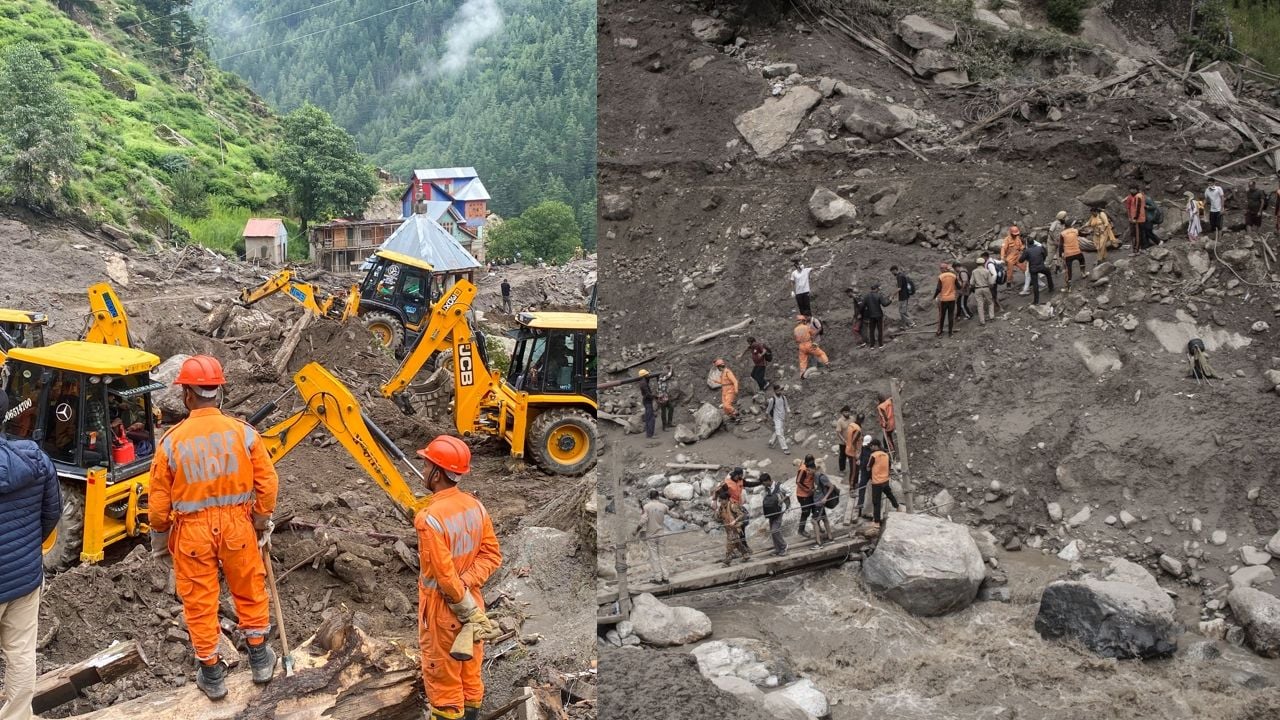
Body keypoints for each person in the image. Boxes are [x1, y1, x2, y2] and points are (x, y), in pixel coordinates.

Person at [148, 355, 279, 699]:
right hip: (238, 526)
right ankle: (261, 660)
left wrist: (160, 540)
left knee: (200, 603)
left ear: (187, 395)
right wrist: (261, 520)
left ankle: (212, 674)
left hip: (192, 532)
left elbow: (159, 506)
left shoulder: (171, 442)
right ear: (218, 393)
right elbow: (268, 483)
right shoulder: (244, 433)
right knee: (250, 589)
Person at [413, 435, 503, 720]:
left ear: (438, 473)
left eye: (426, 466)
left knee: (444, 681)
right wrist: (468, 592)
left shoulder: (429, 519)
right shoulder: (476, 506)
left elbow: (444, 576)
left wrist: (459, 594)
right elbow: (491, 555)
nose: (423, 471)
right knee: (470, 674)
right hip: (473, 603)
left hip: (443, 609)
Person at [0, 390, 60, 720]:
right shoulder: (35, 459)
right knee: (21, 655)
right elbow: (51, 514)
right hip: (24, 578)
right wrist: (26, 547)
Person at [637, 490, 669, 583]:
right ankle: (666, 577)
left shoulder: (647, 507)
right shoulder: (664, 506)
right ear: (658, 497)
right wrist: (682, 517)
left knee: (654, 557)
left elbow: (642, 522)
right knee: (662, 556)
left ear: (649, 497)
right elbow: (672, 514)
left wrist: (636, 531)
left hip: (651, 535)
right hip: (661, 534)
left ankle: (658, 579)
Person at [867, 439, 901, 525]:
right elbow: (889, 466)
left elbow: (868, 467)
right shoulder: (886, 455)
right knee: (889, 495)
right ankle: (897, 507)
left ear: (875, 446)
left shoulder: (873, 455)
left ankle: (877, 522)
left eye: (871, 446)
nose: (870, 448)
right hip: (885, 480)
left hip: (877, 482)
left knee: (876, 502)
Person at [761, 474, 790, 557]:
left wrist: (782, 500)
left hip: (780, 510)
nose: (763, 485)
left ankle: (784, 546)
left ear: (768, 480)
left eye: (764, 483)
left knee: (775, 530)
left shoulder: (779, 486)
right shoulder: (766, 489)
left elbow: (789, 491)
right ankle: (777, 549)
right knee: (772, 531)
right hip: (771, 511)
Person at [1021, 238, 1053, 305]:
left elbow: (1020, 260)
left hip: (1033, 269)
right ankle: (1051, 288)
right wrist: (1041, 260)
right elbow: (1045, 254)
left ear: (1028, 244)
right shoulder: (1039, 248)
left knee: (1035, 285)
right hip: (1041, 266)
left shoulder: (1027, 251)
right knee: (1048, 273)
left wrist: (1028, 258)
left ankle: (1036, 301)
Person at [861, 283, 890, 349]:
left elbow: (862, 306)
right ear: (876, 289)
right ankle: (880, 345)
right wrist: (890, 300)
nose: (878, 290)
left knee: (871, 330)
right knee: (880, 330)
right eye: (878, 289)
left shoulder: (866, 296)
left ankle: (872, 345)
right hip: (879, 315)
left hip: (871, 316)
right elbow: (884, 304)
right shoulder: (879, 295)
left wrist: (862, 313)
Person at [933, 263, 959, 337]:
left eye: (941, 268)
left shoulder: (941, 276)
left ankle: (940, 331)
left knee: (942, 316)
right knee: (950, 315)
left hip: (943, 299)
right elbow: (959, 286)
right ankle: (950, 333)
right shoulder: (953, 276)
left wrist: (934, 296)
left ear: (944, 268)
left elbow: (938, 289)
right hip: (952, 299)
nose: (940, 270)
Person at [810, 471, 835, 547]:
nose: (807, 472)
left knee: (814, 521)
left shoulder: (821, 477)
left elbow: (831, 486)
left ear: (812, 468)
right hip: (817, 502)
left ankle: (818, 543)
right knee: (824, 519)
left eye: (808, 470)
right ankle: (830, 538)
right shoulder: (814, 476)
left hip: (820, 502)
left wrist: (825, 498)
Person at [1059, 223, 1086, 293]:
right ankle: (1083, 273)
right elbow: (1083, 234)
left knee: (1068, 270)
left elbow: (1061, 245)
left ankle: (1069, 288)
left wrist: (1060, 254)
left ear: (1065, 226)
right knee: (1082, 260)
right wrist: (1088, 232)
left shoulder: (1062, 233)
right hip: (1077, 251)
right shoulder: (1075, 230)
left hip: (1068, 254)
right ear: (1071, 225)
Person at [1000, 226, 1027, 294]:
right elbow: (1003, 249)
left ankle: (1028, 279)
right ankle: (1008, 284)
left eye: (1016, 234)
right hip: (1010, 258)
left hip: (1017, 257)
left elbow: (1020, 246)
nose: (1016, 235)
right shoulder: (1007, 240)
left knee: (1024, 268)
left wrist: (1023, 248)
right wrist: (1002, 258)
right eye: (1014, 234)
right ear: (1011, 233)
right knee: (1010, 272)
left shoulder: (1018, 238)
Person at [794, 455, 817, 538]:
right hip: (803, 495)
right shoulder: (803, 469)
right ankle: (801, 530)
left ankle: (817, 526)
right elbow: (798, 482)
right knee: (805, 512)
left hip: (810, 493)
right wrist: (808, 489)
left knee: (815, 509)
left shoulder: (811, 467)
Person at [765, 384, 791, 455]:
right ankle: (785, 448)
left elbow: (787, 406)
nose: (781, 391)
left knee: (778, 430)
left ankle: (771, 442)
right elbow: (768, 409)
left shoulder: (783, 398)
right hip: (776, 418)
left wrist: (789, 412)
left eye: (781, 390)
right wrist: (766, 417)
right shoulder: (772, 400)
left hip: (782, 417)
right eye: (779, 390)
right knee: (780, 433)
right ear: (775, 391)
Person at [971, 254, 996, 325]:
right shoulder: (987, 271)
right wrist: (990, 287)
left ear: (977, 264)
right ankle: (992, 317)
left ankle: (982, 321)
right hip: (986, 288)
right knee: (990, 303)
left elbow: (971, 283)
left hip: (977, 289)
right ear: (983, 263)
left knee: (980, 305)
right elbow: (991, 282)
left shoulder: (974, 271)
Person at [854, 435, 874, 519]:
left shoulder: (874, 450)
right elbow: (862, 455)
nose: (865, 445)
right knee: (862, 486)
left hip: (872, 471)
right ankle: (860, 504)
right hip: (864, 471)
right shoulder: (864, 447)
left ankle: (874, 506)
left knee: (875, 488)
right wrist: (859, 460)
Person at [844, 412, 863, 486]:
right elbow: (853, 441)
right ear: (862, 421)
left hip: (848, 449)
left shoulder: (851, 425)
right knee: (854, 471)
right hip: (853, 453)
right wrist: (856, 453)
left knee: (856, 469)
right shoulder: (857, 429)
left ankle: (855, 483)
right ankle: (851, 488)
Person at [1124, 186, 1146, 253]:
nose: (1131, 191)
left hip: (1137, 219)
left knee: (1137, 234)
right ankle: (1141, 248)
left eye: (1133, 189)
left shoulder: (1138, 196)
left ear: (1136, 189)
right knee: (1139, 233)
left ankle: (1136, 250)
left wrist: (1135, 217)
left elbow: (1138, 208)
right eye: (1130, 189)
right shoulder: (1139, 196)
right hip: (1139, 217)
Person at [655, 365, 676, 431]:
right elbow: (669, 374)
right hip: (662, 397)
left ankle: (669, 423)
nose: (667, 372)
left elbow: (670, 375)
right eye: (666, 370)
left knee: (671, 407)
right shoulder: (661, 377)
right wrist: (671, 368)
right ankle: (664, 427)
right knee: (663, 412)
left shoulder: (662, 376)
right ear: (664, 370)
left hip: (665, 396)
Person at [1205, 179, 1225, 243]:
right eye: (1208, 183)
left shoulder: (1218, 188)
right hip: (1212, 210)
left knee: (1219, 225)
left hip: (1219, 209)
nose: (1209, 184)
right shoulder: (1207, 190)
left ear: (1214, 183)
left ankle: (1219, 239)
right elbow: (1205, 200)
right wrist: (1199, 207)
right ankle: (1215, 238)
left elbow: (1222, 198)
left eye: (1210, 183)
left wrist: (1222, 208)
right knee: (1213, 225)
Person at [637, 369, 656, 439]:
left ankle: (649, 434)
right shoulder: (644, 383)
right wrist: (655, 397)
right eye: (647, 374)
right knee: (651, 418)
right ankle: (650, 435)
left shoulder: (643, 381)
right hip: (647, 400)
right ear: (644, 375)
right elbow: (648, 394)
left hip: (646, 401)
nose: (649, 375)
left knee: (648, 417)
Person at [834, 406, 852, 476]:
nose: (847, 413)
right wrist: (844, 440)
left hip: (851, 441)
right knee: (843, 456)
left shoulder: (852, 419)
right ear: (842, 413)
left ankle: (853, 468)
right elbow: (838, 433)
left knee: (851, 455)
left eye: (848, 412)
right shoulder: (840, 421)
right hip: (843, 443)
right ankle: (842, 470)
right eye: (845, 412)